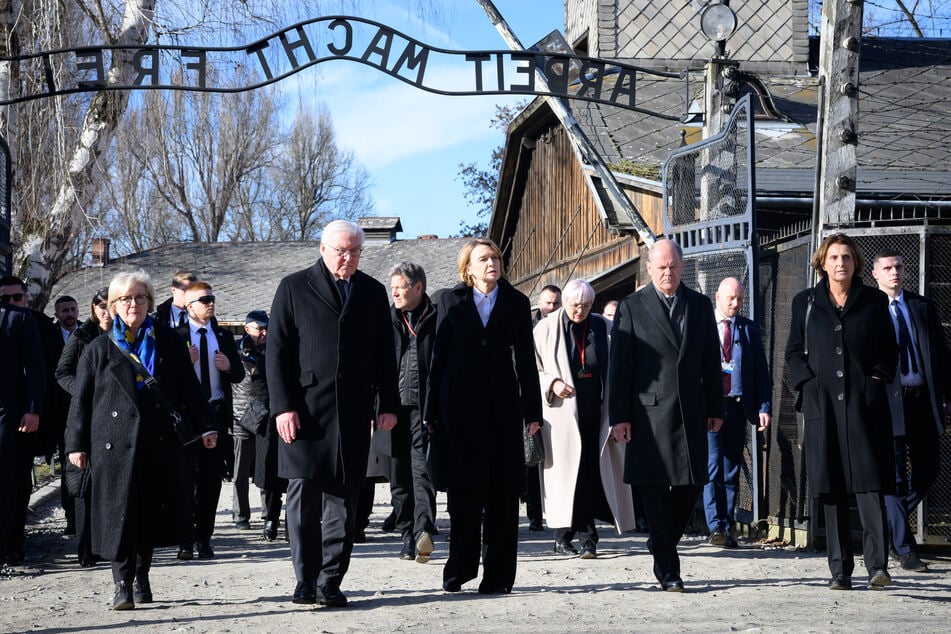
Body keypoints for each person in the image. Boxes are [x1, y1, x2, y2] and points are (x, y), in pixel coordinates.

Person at [65, 270, 217, 610]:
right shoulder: (98, 348)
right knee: (119, 514)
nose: (133, 304)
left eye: (140, 298)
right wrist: (76, 444)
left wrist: (206, 426)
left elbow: (189, 390)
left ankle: (142, 574)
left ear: (149, 301)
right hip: (112, 444)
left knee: (147, 513)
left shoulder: (168, 340)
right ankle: (121, 583)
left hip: (158, 440)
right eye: (125, 299)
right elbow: (82, 401)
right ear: (114, 305)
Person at [267, 219, 399, 608]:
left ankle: (330, 580)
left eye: (355, 251)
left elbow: (384, 355)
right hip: (304, 412)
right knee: (303, 498)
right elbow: (277, 353)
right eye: (341, 250)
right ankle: (304, 579)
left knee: (344, 502)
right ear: (323, 249)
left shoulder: (373, 292)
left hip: (352, 412)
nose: (348, 257)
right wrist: (283, 407)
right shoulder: (294, 287)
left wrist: (387, 404)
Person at [425, 238, 543, 595]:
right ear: (468, 268)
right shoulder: (449, 301)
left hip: (503, 409)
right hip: (458, 409)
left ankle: (498, 577)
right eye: (483, 258)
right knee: (464, 495)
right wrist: (431, 411)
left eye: (495, 257)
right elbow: (437, 359)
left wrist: (532, 413)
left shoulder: (517, 302)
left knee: (503, 496)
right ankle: (459, 570)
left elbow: (525, 361)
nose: (491, 262)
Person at [608, 239, 724, 592]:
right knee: (654, 490)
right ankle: (669, 571)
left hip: (691, 410)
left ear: (682, 266)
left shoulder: (700, 306)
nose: (668, 273)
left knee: (690, 486)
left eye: (673, 266)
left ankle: (660, 542)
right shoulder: (632, 306)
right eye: (661, 267)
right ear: (649, 267)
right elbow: (620, 367)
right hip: (648, 412)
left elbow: (709, 361)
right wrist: (619, 416)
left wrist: (716, 407)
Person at [785, 233, 898, 591]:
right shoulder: (805, 302)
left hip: (865, 408)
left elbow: (890, 350)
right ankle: (840, 570)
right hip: (824, 409)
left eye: (846, 257)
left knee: (870, 487)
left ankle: (877, 567)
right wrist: (808, 387)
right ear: (822, 262)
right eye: (833, 257)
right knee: (831, 488)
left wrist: (875, 379)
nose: (840, 264)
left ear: (855, 263)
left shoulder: (874, 301)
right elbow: (792, 353)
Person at [534, 279, 634, 559]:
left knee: (591, 472)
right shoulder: (545, 328)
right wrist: (552, 383)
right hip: (562, 414)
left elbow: (619, 368)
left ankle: (589, 538)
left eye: (586, 306)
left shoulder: (604, 326)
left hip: (597, 413)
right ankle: (562, 536)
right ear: (565, 303)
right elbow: (532, 369)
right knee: (568, 476)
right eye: (575, 305)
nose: (580, 311)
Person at [871, 249, 950, 573]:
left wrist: (947, 396)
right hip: (887, 401)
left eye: (899, 267)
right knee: (894, 477)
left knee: (929, 468)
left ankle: (889, 523)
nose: (894, 273)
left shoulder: (921, 306)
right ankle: (905, 550)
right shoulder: (869, 310)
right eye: (887, 268)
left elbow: (942, 354)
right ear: (875, 274)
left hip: (921, 399)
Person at [176, 281, 244, 560]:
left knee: (210, 480)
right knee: (184, 479)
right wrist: (183, 362)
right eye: (204, 300)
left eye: (212, 298)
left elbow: (238, 374)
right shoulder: (176, 335)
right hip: (187, 417)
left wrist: (229, 368)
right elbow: (166, 377)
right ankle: (184, 539)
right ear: (189, 306)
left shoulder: (223, 336)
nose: (210, 303)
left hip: (215, 414)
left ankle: (204, 538)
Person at [703, 277, 772, 548]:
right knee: (712, 465)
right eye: (730, 298)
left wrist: (764, 406)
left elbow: (761, 373)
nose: (735, 304)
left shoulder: (748, 329)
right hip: (711, 406)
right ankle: (714, 525)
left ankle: (727, 525)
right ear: (717, 297)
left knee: (731, 467)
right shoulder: (704, 327)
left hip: (737, 406)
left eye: (739, 299)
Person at [55, 287, 112, 567]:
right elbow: (62, 372)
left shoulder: (126, 334)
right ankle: (85, 548)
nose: (105, 310)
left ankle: (106, 542)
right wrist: (82, 391)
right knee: (84, 483)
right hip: (85, 416)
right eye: (99, 305)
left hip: (115, 417)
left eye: (109, 304)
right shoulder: (81, 336)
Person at [386, 262, 438, 562]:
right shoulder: (386, 318)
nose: (394, 292)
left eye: (400, 286)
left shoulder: (437, 316)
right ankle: (406, 532)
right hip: (392, 411)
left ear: (418, 288)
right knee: (398, 478)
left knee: (422, 474)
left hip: (424, 410)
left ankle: (422, 533)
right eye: (392, 286)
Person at [0, 278, 45, 566]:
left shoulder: (19, 318)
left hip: (10, 415)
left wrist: (32, 409)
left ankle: (11, 543)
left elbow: (35, 366)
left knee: (10, 480)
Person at [526, 284, 562, 532]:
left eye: (555, 303)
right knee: (532, 457)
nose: (551, 307)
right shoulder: (530, 327)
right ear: (540, 303)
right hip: (532, 400)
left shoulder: (563, 328)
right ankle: (534, 514)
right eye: (548, 302)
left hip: (555, 403)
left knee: (553, 460)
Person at [232, 310, 269, 532]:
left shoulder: (274, 348)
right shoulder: (235, 350)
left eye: (267, 328)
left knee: (265, 468)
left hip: (265, 413)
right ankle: (240, 515)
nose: (264, 332)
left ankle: (267, 513)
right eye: (259, 328)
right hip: (241, 414)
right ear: (247, 329)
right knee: (240, 471)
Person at [51, 295, 80, 535]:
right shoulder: (49, 339)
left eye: (72, 309)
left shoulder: (88, 335)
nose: (70, 314)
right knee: (68, 464)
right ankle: (72, 516)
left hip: (88, 409)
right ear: (57, 314)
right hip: (61, 413)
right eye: (64, 311)